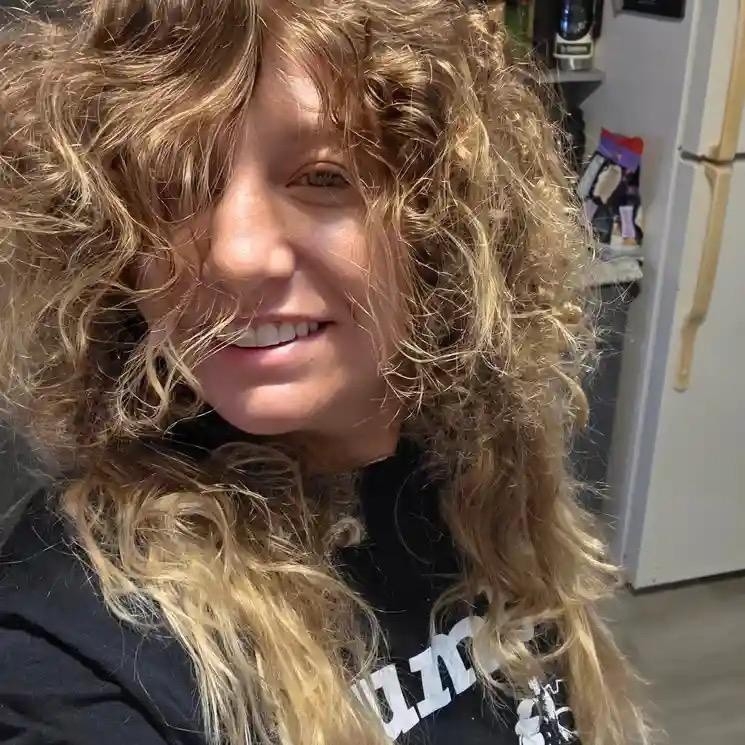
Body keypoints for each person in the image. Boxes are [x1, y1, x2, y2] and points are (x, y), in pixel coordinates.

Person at [0, 2, 648, 744]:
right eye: (173, 183)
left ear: (442, 219)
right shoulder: (76, 643)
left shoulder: (484, 475)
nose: (235, 255)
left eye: (322, 176)